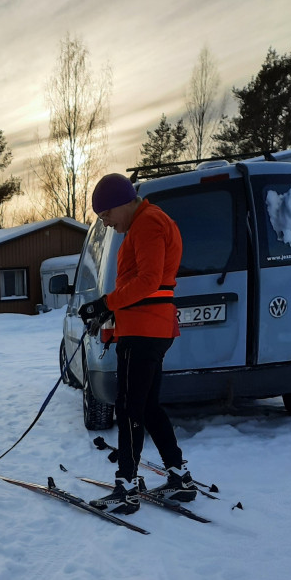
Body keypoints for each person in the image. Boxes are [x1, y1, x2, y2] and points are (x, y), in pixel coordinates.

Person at [78, 173, 196, 515]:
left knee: (130, 407)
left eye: (106, 215)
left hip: (145, 330)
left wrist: (105, 303)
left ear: (122, 203)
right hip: (147, 327)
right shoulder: (147, 223)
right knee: (147, 407)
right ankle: (179, 477)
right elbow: (143, 283)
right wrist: (109, 312)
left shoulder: (147, 223)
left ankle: (126, 488)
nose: (106, 223)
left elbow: (148, 280)